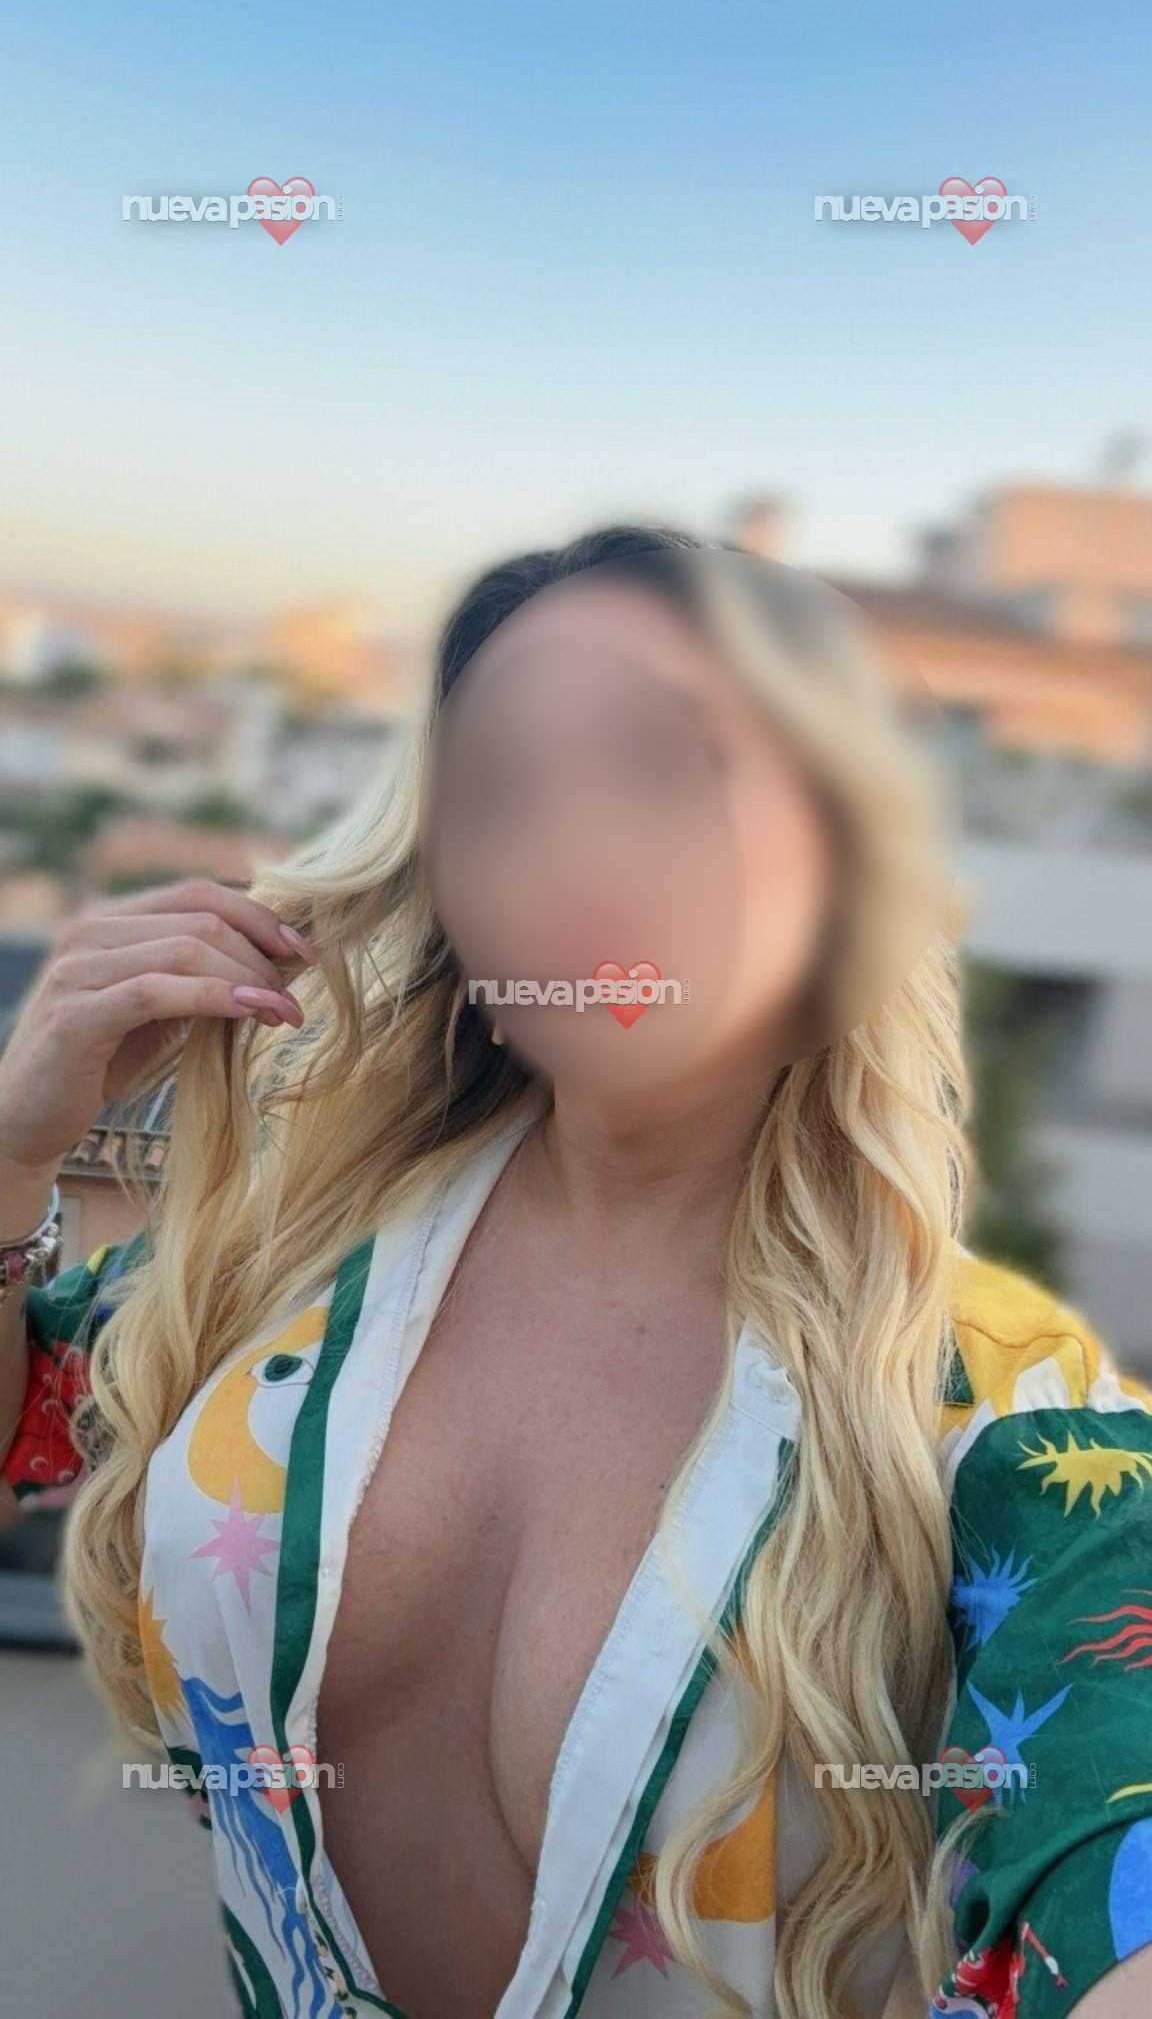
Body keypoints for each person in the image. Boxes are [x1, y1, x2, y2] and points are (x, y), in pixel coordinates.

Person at [1, 527, 1150, 2019]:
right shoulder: (289, 1263)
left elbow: (1113, 1836)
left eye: (669, 768)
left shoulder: (1009, 1419)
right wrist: (15, 1154)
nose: (578, 852)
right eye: (498, 794)